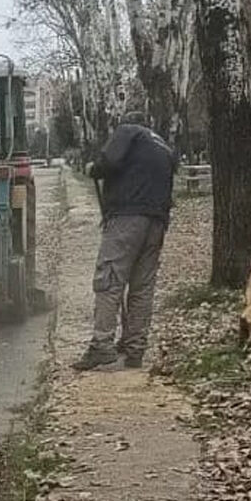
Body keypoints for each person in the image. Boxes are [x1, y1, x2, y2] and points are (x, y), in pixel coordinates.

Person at [72, 111, 177, 371]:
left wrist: (92, 169)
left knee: (109, 279)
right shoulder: (163, 145)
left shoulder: (128, 131)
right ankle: (135, 348)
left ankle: (101, 346)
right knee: (142, 286)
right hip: (157, 221)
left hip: (127, 218)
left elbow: (109, 161)